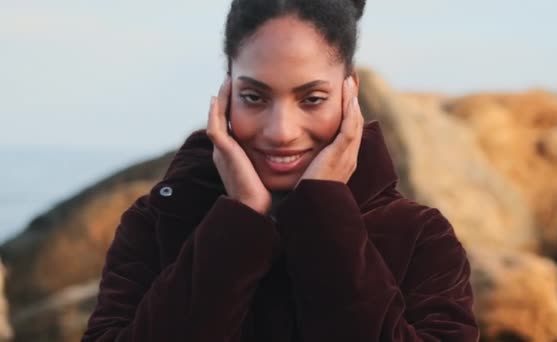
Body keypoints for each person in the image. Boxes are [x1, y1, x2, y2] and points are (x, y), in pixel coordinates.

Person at [82, 0, 479, 341]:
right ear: (227, 91)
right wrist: (239, 220)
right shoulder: (156, 224)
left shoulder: (420, 236)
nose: (281, 132)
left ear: (350, 92)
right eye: (254, 97)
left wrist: (324, 215)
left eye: (312, 98)